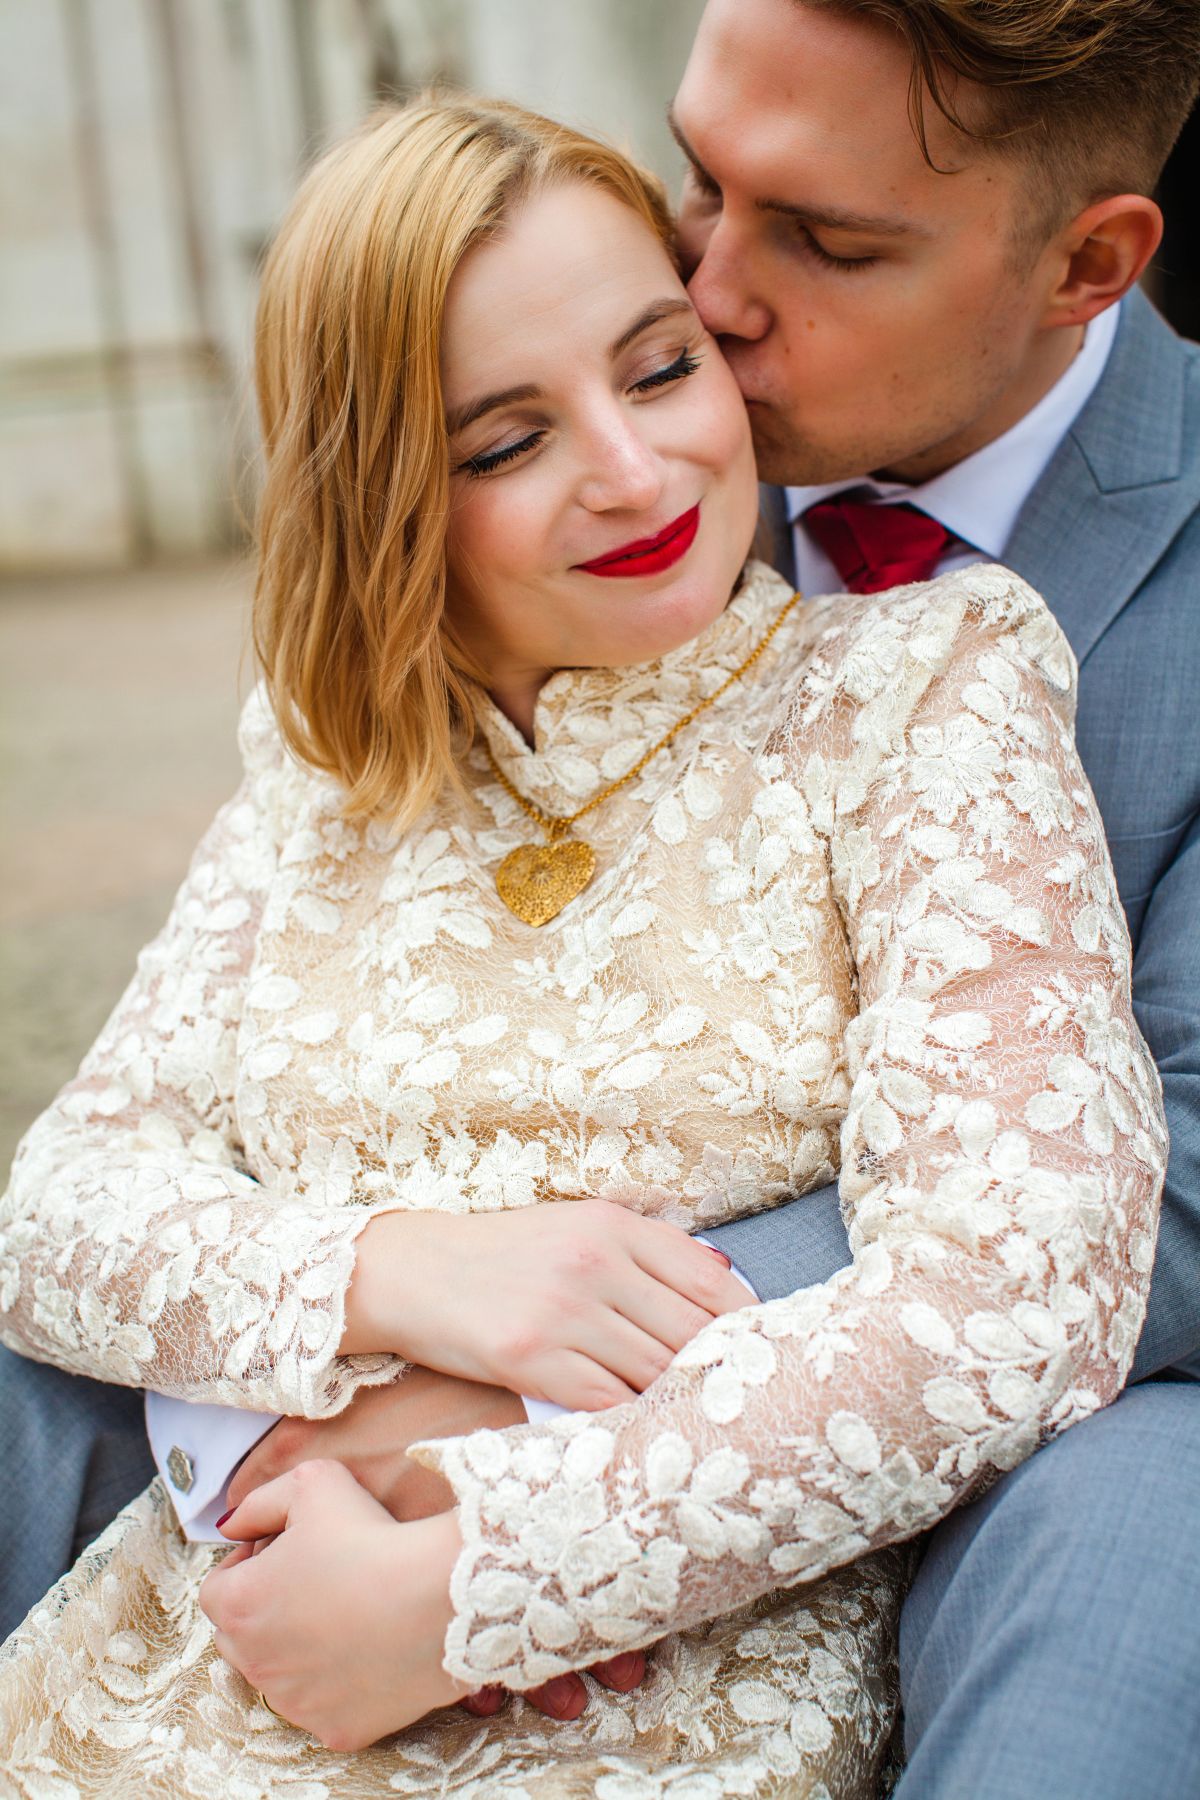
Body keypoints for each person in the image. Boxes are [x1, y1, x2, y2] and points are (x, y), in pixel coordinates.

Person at [0, 85, 1167, 1797]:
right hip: (187, 1662)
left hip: (649, 1693)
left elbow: (1020, 1291)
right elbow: (62, 1209)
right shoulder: (328, 771)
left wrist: (492, 1568)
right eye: (504, 441)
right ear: (383, 496)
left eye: (656, 367)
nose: (634, 473)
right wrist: (394, 1272)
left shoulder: (922, 693)